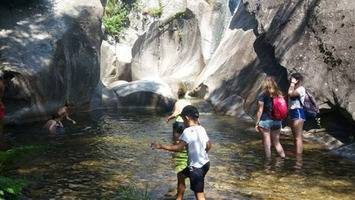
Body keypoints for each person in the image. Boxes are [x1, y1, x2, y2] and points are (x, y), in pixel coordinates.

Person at [152, 105, 212, 200]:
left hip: (196, 168)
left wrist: (161, 146)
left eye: (183, 119)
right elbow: (209, 145)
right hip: (206, 164)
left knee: (199, 194)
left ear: (187, 118)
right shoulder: (202, 128)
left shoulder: (187, 131)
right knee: (181, 174)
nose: (183, 121)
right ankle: (179, 198)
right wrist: (201, 153)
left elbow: (178, 148)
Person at [165, 86, 191, 199]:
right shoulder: (189, 102)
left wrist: (170, 117)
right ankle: (186, 156)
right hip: (187, 124)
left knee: (176, 143)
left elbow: (176, 113)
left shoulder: (178, 102)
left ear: (178, 94)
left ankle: (177, 159)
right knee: (186, 142)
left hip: (179, 124)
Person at [255, 76, 286, 161]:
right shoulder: (279, 94)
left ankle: (268, 163)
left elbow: (260, 110)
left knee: (267, 144)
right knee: (276, 142)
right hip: (277, 121)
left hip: (266, 121)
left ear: (264, 84)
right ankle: (283, 159)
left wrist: (257, 123)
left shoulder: (262, 94)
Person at [288, 72, 306, 168]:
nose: (290, 81)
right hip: (292, 113)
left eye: (292, 79)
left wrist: (292, 84)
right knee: (294, 137)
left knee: (298, 137)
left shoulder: (301, 89)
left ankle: (299, 159)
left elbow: (290, 95)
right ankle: (297, 154)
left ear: (297, 80)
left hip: (298, 113)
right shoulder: (294, 88)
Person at [0, 72, 15, 150]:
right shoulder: (2, 84)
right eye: (10, 79)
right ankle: (2, 147)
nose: (10, 81)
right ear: (7, 78)